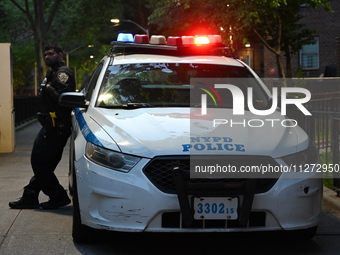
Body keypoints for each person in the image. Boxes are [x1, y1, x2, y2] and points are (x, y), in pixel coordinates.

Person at [9, 43, 75, 210]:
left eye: (51, 54)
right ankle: (30, 195)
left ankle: (58, 196)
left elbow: (64, 99)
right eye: (46, 54)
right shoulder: (52, 73)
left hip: (57, 126)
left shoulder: (62, 73)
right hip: (51, 125)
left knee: (40, 163)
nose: (47, 57)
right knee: (44, 163)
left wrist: (49, 89)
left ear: (60, 54)